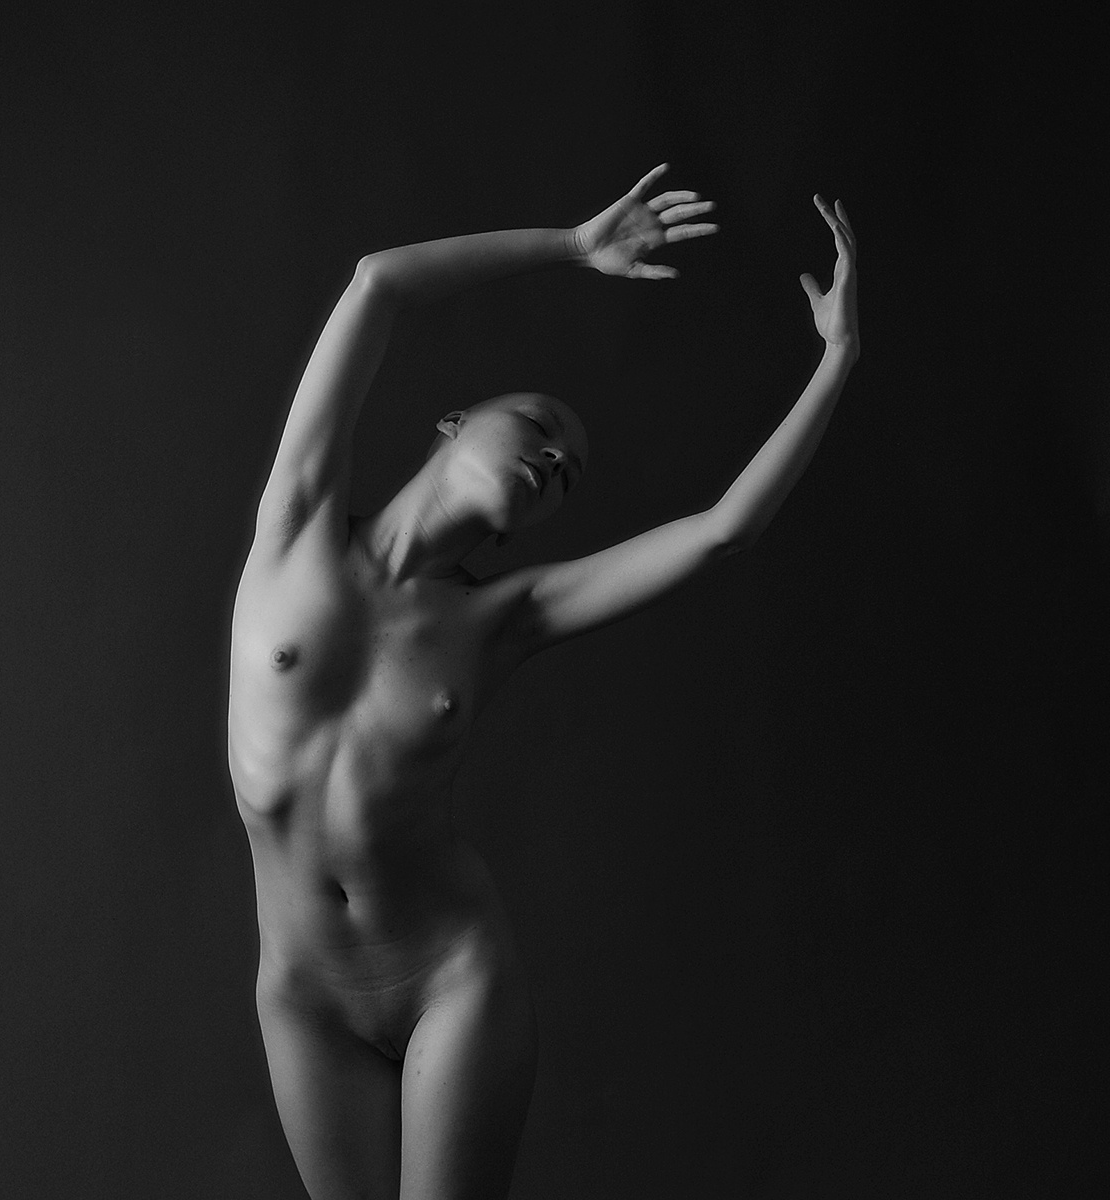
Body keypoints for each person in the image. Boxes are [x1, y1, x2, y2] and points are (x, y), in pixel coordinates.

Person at [227, 163, 859, 1200]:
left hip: (448, 976)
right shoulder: (295, 524)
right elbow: (378, 282)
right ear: (453, 421)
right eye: (538, 424)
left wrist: (836, 360)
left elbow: (722, 532)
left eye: (568, 470)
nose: (554, 458)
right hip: (302, 992)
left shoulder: (502, 619)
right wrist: (572, 246)